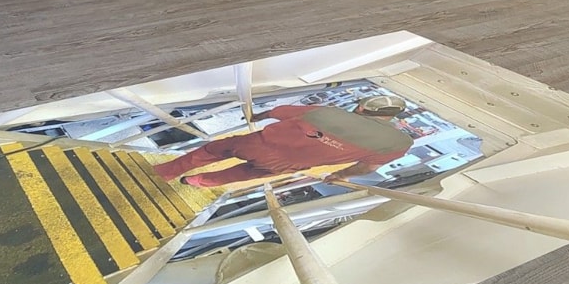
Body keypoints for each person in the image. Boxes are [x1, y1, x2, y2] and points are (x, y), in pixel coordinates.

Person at [153, 94, 413, 188]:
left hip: (257, 144)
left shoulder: (327, 113)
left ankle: (165, 172)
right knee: (241, 174)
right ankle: (198, 181)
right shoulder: (397, 143)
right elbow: (367, 167)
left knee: (211, 151)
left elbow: (277, 112)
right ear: (392, 116)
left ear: (361, 108)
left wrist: (257, 116)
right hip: (283, 165)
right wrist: (340, 175)